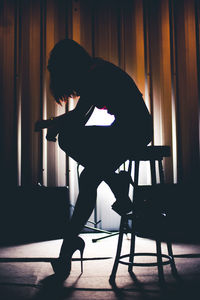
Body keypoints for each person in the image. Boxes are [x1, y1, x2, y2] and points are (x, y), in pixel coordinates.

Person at [35, 39, 153, 280]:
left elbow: (79, 120)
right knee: (88, 177)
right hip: (127, 128)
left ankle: (69, 248)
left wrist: (53, 124)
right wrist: (54, 123)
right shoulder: (95, 71)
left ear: (69, 66)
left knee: (69, 139)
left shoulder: (95, 74)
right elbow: (80, 117)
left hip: (135, 131)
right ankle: (68, 249)